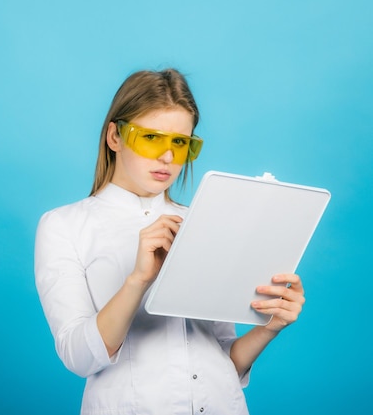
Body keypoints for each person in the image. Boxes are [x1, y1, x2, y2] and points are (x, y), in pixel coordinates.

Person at [34, 68, 306, 415]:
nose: (167, 157)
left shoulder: (205, 220)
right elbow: (79, 357)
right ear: (115, 136)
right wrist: (138, 280)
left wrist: (271, 326)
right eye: (152, 138)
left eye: (180, 143)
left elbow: (225, 360)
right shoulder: (64, 225)